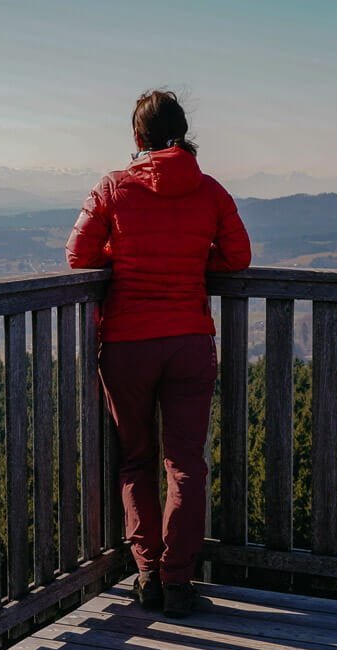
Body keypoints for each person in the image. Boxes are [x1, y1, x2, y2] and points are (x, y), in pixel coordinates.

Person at [65, 89, 251, 617]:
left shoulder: (113, 188)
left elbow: (78, 255)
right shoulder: (209, 190)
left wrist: (120, 252)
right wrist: (194, 253)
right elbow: (238, 256)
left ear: (137, 138)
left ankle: (146, 572)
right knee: (185, 464)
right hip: (190, 342)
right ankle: (178, 582)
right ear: (184, 132)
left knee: (137, 459)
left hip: (127, 345)